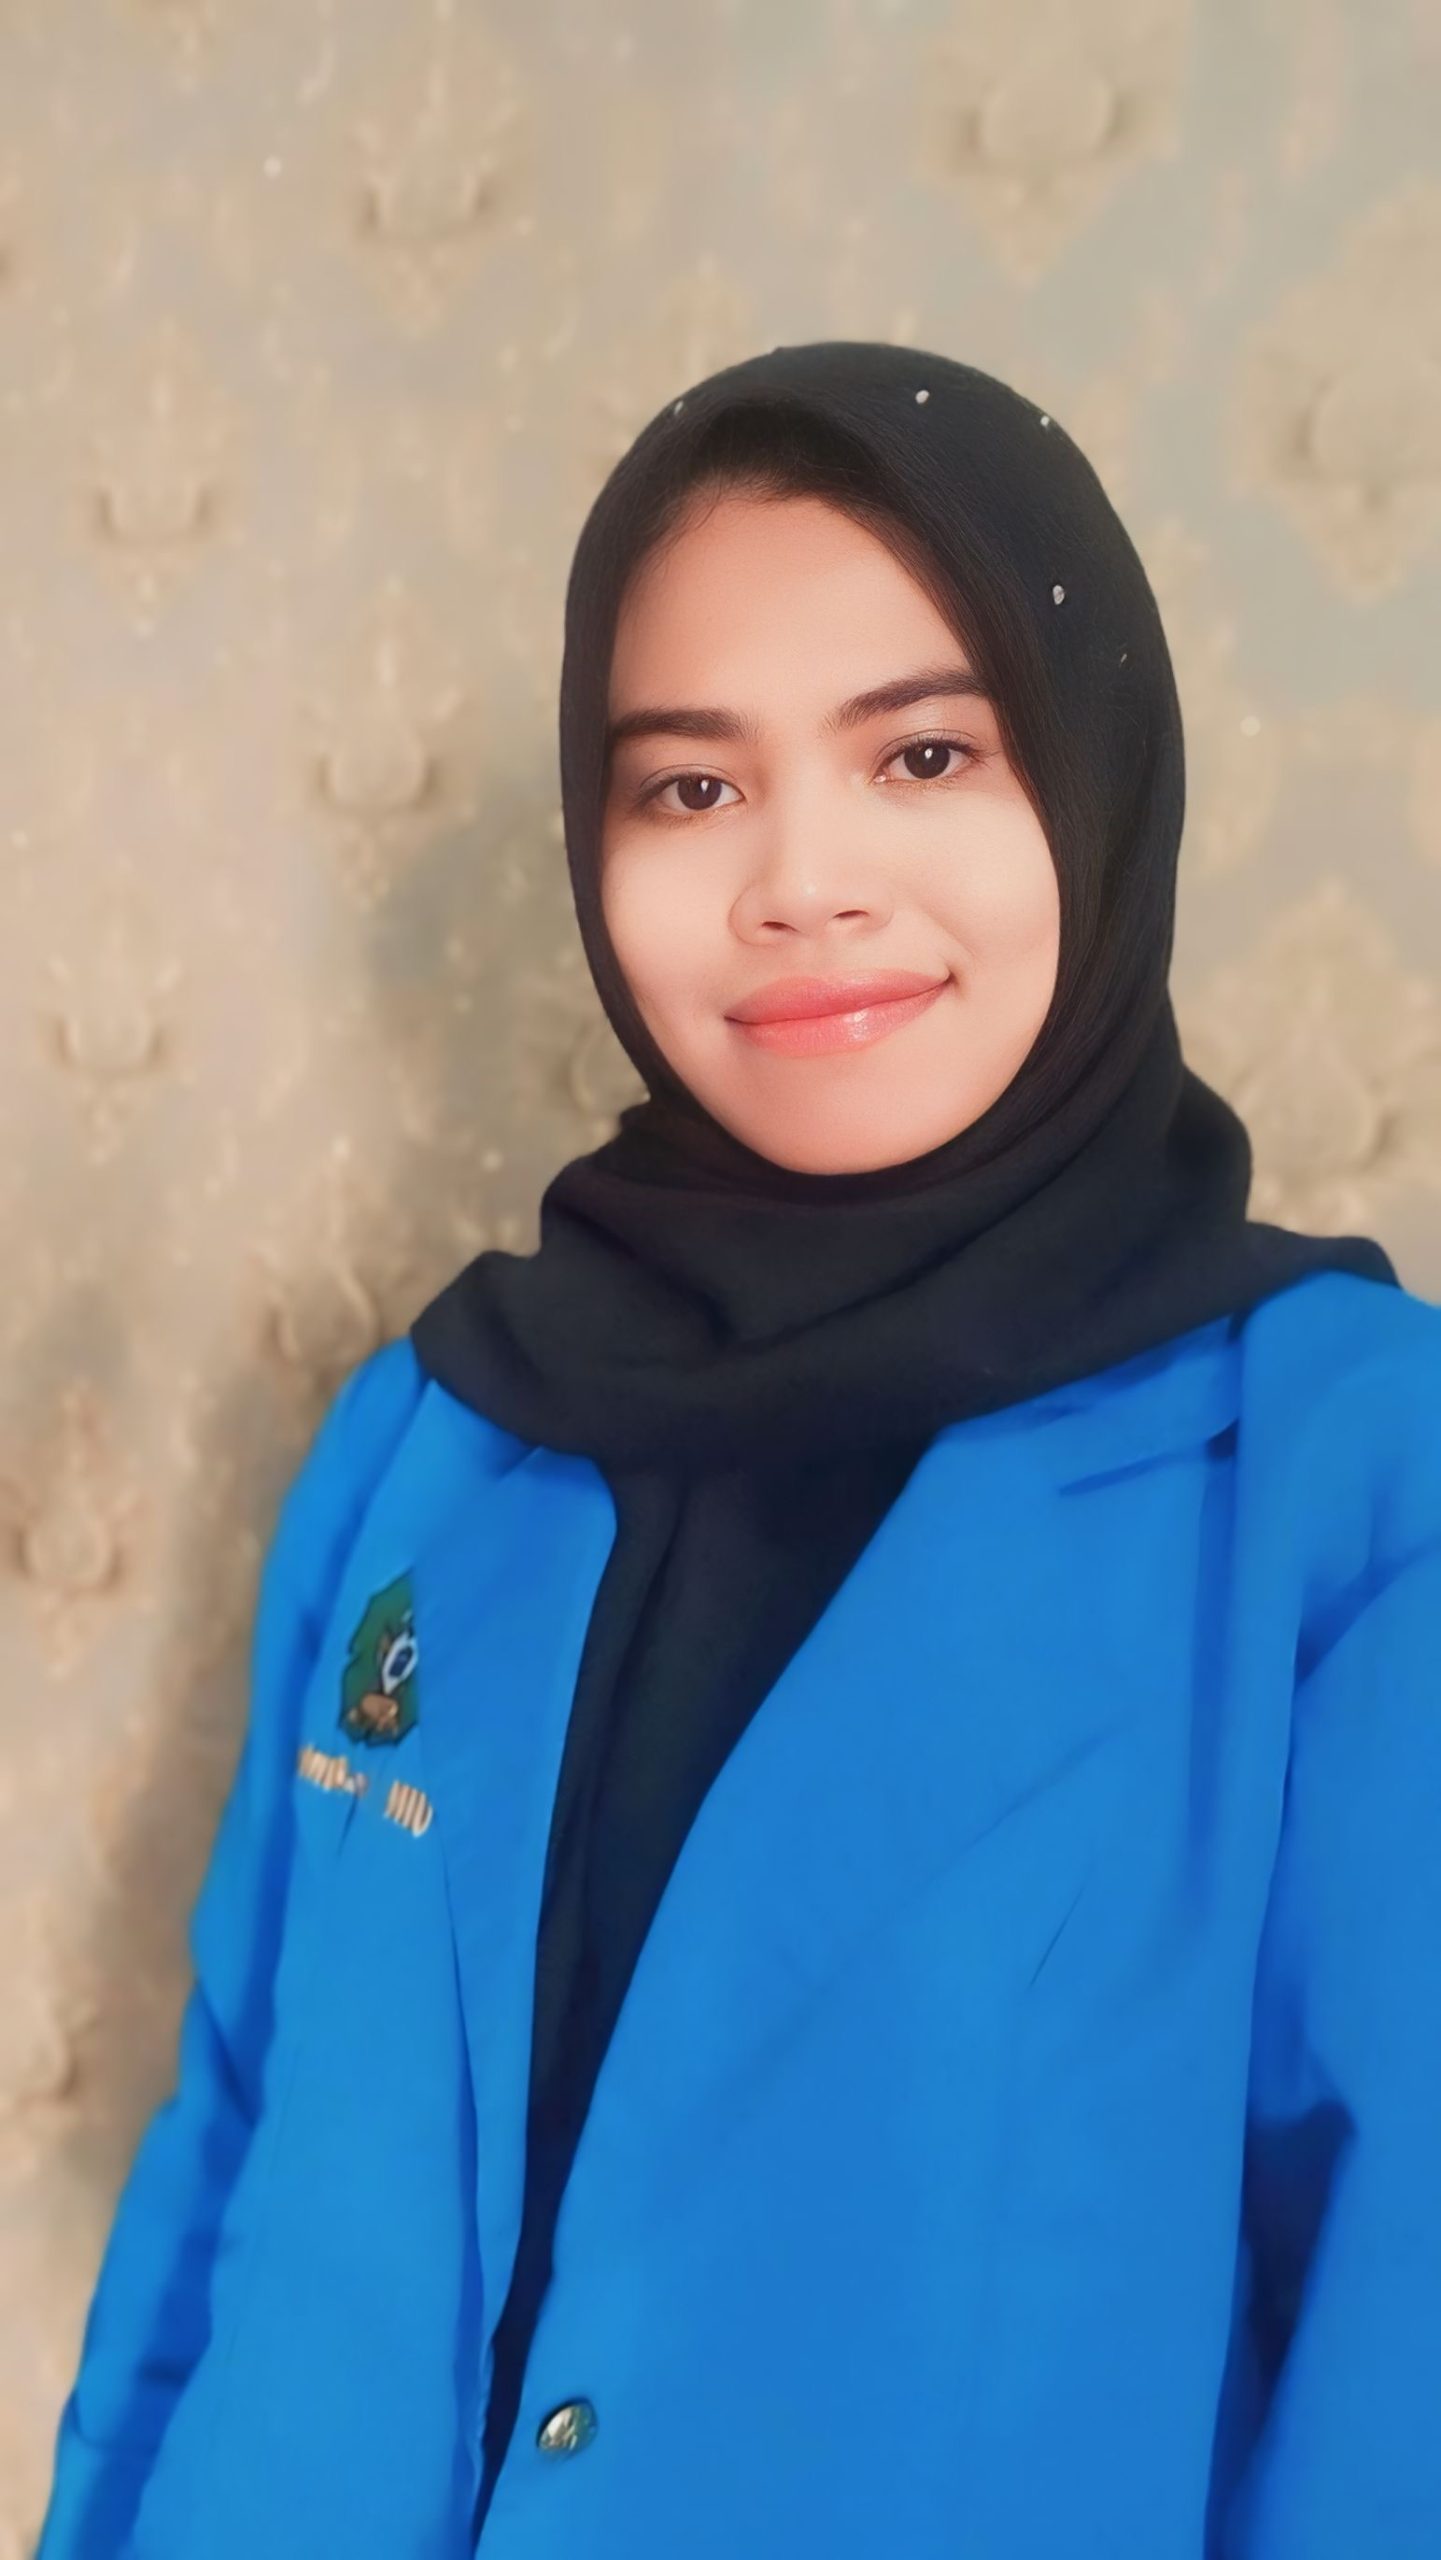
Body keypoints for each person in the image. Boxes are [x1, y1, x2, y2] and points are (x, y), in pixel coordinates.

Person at [36, 341, 1440, 2560]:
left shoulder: (1341, 1476)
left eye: (922, 752)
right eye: (689, 787)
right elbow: (231, 2144)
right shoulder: (436, 1433)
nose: (799, 881)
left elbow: (1401, 2360)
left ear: (1094, 780)